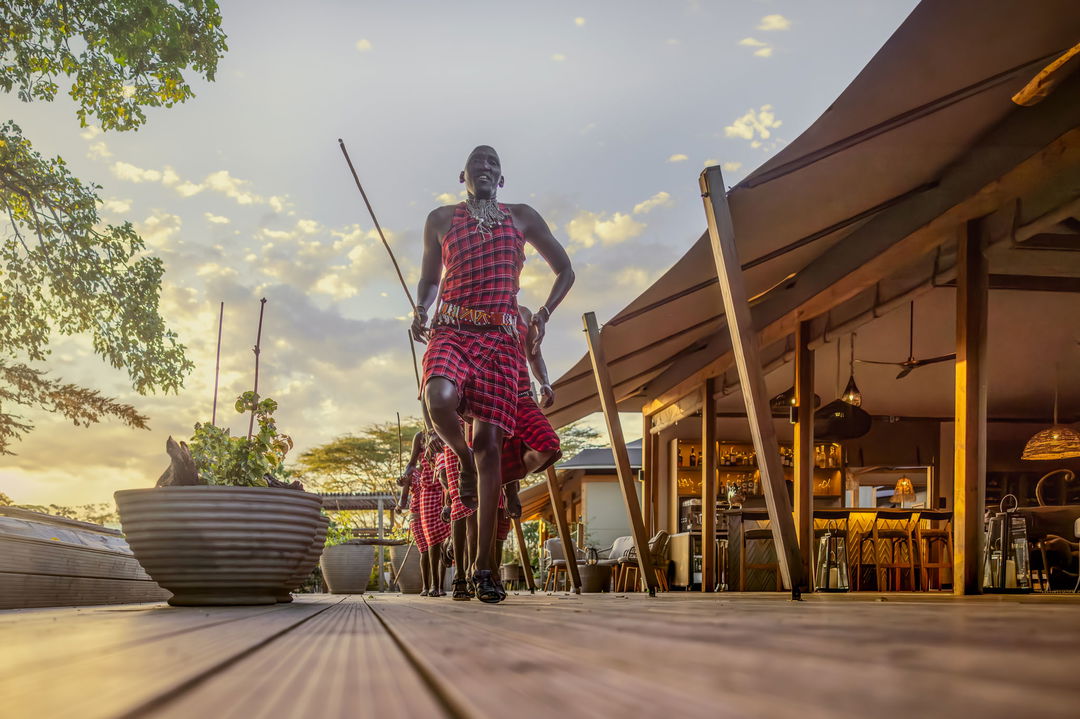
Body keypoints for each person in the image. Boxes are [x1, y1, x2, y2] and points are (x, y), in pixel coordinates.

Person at [412, 145, 573, 604]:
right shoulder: (440, 219)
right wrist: (420, 308)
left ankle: (484, 568)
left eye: (494, 165)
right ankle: (459, 461)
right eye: (478, 163)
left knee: (489, 448)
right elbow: (427, 279)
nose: (486, 168)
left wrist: (542, 312)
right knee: (438, 398)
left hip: (502, 342)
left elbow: (565, 269)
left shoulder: (521, 216)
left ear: (501, 179)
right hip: (452, 328)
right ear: (462, 174)